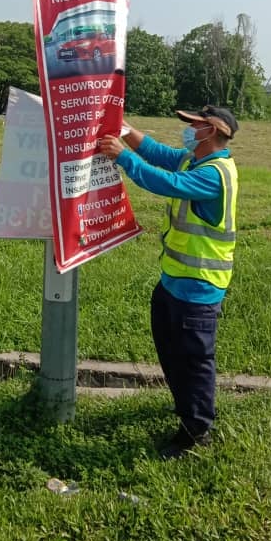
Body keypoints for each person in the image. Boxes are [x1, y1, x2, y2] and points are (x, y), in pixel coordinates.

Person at [97, 105, 239, 458]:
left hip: (199, 286)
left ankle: (196, 430)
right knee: (172, 352)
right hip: (174, 280)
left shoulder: (214, 174)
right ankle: (186, 405)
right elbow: (161, 154)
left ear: (212, 130)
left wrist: (124, 158)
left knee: (193, 359)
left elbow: (166, 183)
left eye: (193, 125)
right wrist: (127, 131)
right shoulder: (195, 159)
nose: (187, 130)